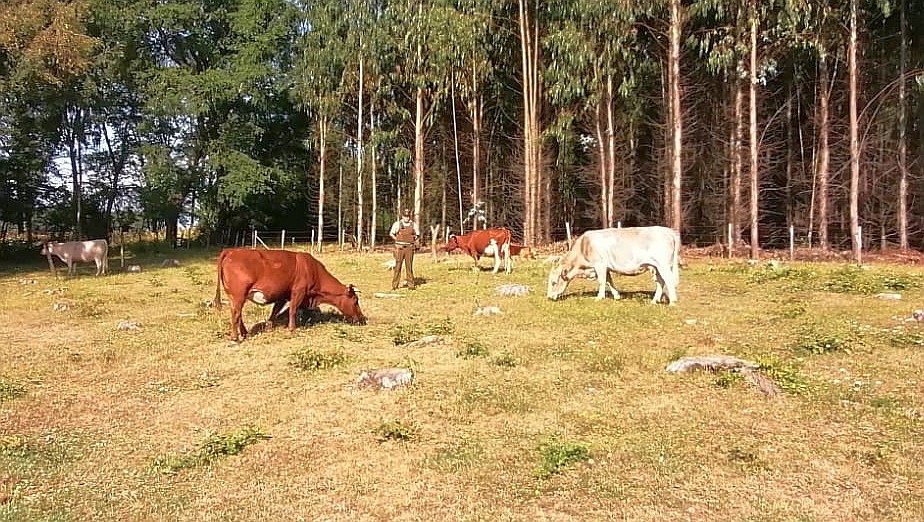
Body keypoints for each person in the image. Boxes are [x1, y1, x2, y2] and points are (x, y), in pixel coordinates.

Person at [389, 208, 420, 290]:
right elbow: (391, 233)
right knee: (397, 267)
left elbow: (417, 235)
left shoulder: (413, 225)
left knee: (409, 267)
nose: (407, 218)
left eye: (408, 216)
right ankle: (395, 285)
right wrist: (397, 239)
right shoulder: (397, 224)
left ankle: (411, 285)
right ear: (402, 216)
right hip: (399, 249)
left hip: (409, 248)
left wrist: (413, 240)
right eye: (405, 216)